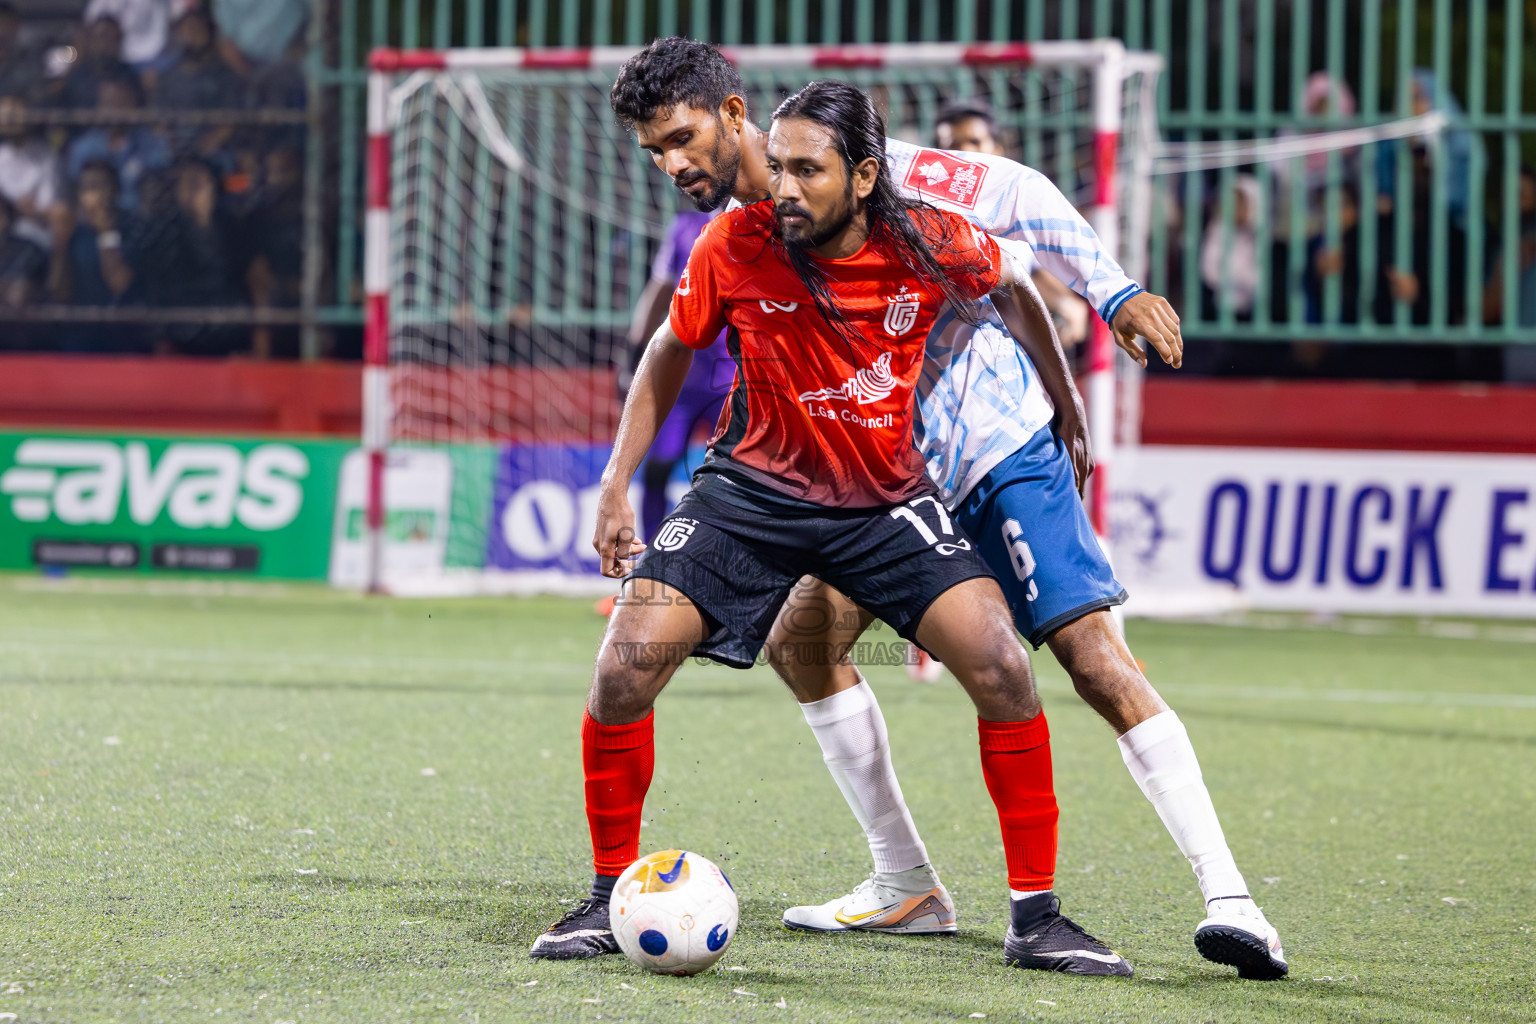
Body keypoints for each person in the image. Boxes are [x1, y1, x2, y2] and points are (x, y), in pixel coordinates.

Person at [604, 38, 1287, 981]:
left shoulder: (896, 182)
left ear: (732, 118)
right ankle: (906, 883)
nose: (671, 163)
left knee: (1090, 659)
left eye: (680, 139)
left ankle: (1231, 899)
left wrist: (1111, 301)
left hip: (995, 447)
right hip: (889, 480)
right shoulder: (742, 231)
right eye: (654, 151)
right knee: (803, 645)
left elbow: (1024, 210)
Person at [532, 78, 1135, 977]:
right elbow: (669, 344)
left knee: (1005, 669)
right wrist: (617, 483)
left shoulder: (926, 236)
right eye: (776, 167)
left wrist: (1064, 397)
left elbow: (1015, 283)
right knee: (624, 667)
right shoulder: (735, 241)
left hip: (884, 501)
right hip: (750, 494)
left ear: (861, 177)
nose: (782, 187)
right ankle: (603, 893)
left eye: (805, 170)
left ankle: (1036, 917)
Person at [625, 210, 735, 544]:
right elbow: (657, 291)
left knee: (736, 477)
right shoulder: (685, 227)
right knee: (657, 468)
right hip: (682, 381)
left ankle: (729, 561)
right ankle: (648, 560)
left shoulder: (750, 222)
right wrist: (631, 356)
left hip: (731, 382)